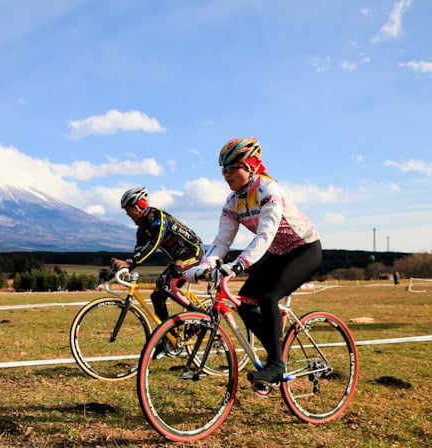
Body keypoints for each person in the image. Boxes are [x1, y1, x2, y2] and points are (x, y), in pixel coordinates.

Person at [187, 137, 322, 385]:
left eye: (232, 168)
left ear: (250, 166)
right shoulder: (233, 201)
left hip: (305, 250)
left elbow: (265, 234)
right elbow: (222, 241)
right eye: (223, 170)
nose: (226, 175)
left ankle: (277, 365)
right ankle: (276, 353)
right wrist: (204, 266)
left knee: (268, 296)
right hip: (278, 254)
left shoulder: (269, 190)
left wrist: (239, 264)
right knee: (246, 304)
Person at [110, 186, 203, 322]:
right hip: (180, 259)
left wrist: (129, 262)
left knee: (164, 283)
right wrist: (114, 272)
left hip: (194, 254)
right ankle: (166, 337)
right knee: (157, 296)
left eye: (129, 209)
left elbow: (153, 244)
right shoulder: (142, 229)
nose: (127, 213)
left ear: (140, 205)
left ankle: (200, 315)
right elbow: (139, 254)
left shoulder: (158, 218)